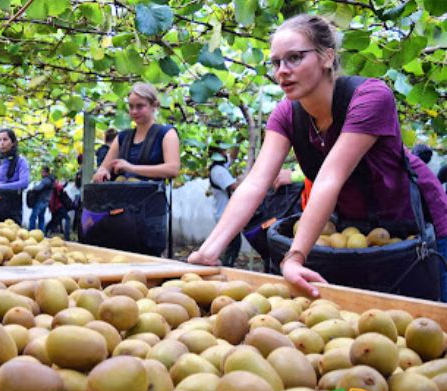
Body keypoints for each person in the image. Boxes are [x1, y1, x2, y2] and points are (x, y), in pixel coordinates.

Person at [188, 14, 447, 301]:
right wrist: (209, 251)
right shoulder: (286, 113)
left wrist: (295, 257)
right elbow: (255, 183)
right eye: (276, 62)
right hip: (358, 231)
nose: (282, 71)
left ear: (327, 57)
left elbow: (330, 177)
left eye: (294, 58)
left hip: (421, 229)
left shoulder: (371, 96)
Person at [92, 83, 180, 182]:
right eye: (131, 106)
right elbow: (104, 168)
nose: (134, 111)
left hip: (151, 196)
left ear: (154, 105)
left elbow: (173, 169)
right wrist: (102, 172)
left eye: (140, 106)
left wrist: (131, 168)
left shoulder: (167, 133)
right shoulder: (122, 137)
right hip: (122, 196)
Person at [208, 146, 242, 267]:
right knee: (233, 244)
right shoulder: (218, 170)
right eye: (223, 152)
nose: (226, 153)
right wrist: (246, 180)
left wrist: (238, 143)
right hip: (224, 214)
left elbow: (231, 158)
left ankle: (226, 265)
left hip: (223, 213)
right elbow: (234, 186)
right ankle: (226, 266)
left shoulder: (219, 167)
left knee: (231, 243)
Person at [27, 166, 54, 231]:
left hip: (40, 201)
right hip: (46, 201)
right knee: (41, 218)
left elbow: (39, 188)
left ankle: (31, 232)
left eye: (43, 172)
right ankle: (42, 233)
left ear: (47, 173)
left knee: (33, 217)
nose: (41, 173)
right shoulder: (50, 180)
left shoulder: (46, 180)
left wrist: (33, 188)